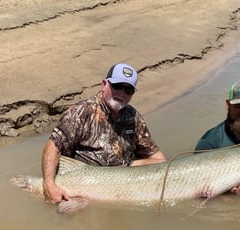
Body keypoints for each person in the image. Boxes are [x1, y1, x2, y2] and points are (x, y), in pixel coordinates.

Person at [42, 62, 167, 204]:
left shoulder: (133, 117)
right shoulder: (83, 112)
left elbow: (159, 160)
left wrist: (130, 166)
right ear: (104, 84)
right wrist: (49, 184)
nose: (121, 93)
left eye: (128, 90)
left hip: (121, 185)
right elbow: (53, 147)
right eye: (117, 86)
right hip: (80, 184)